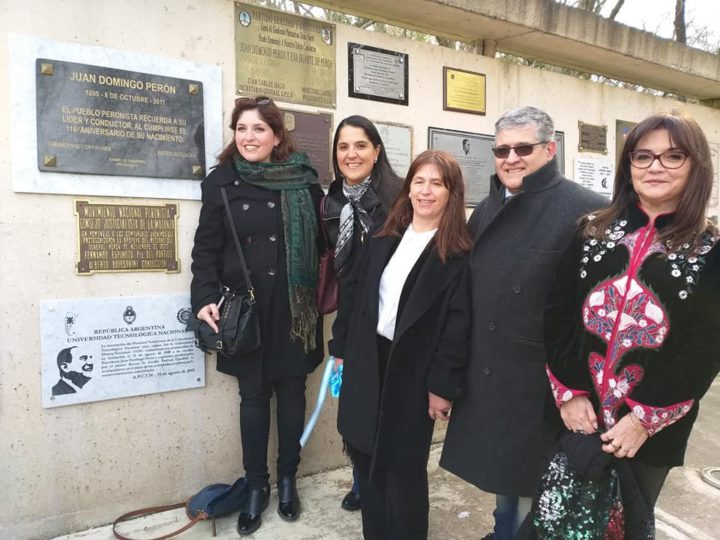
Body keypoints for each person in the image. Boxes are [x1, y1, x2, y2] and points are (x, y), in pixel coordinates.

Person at [543, 112, 720, 534]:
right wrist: (569, 394)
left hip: (648, 430)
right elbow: (558, 314)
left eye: (673, 156)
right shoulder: (591, 231)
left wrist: (643, 418)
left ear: (696, 166)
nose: (655, 166)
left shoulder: (710, 249)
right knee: (565, 524)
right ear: (628, 166)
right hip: (579, 416)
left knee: (625, 528)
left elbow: (706, 348)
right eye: (643, 156)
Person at [440, 106, 607, 540]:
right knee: (501, 480)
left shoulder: (587, 210)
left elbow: (593, 313)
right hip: (489, 374)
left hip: (543, 384)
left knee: (539, 488)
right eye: (502, 149)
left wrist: (577, 388)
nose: (510, 158)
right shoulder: (489, 207)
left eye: (523, 148)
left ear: (550, 149)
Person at [190, 96, 323, 536]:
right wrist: (203, 297)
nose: (249, 137)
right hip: (245, 309)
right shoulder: (221, 183)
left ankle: (287, 478)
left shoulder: (304, 181)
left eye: (259, 129)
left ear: (277, 136)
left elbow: (323, 244)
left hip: (292, 307)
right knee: (251, 398)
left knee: (290, 394)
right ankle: (256, 485)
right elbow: (206, 249)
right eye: (242, 129)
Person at [333, 149, 473, 540]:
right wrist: (341, 351)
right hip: (368, 361)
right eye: (419, 181)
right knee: (366, 457)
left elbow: (457, 329)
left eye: (437, 184)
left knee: (403, 469)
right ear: (408, 186)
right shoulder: (385, 235)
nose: (426, 192)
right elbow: (356, 297)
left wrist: (441, 388)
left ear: (451, 193)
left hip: (412, 373)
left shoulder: (458, 254)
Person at [323, 115, 403, 511]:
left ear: (376, 151)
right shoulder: (332, 202)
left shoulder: (398, 199)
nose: (351, 154)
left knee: (389, 410)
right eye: (343, 147)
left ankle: (385, 482)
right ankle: (362, 481)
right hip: (353, 319)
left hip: (391, 324)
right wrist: (339, 343)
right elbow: (343, 276)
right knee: (356, 407)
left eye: (359, 145)